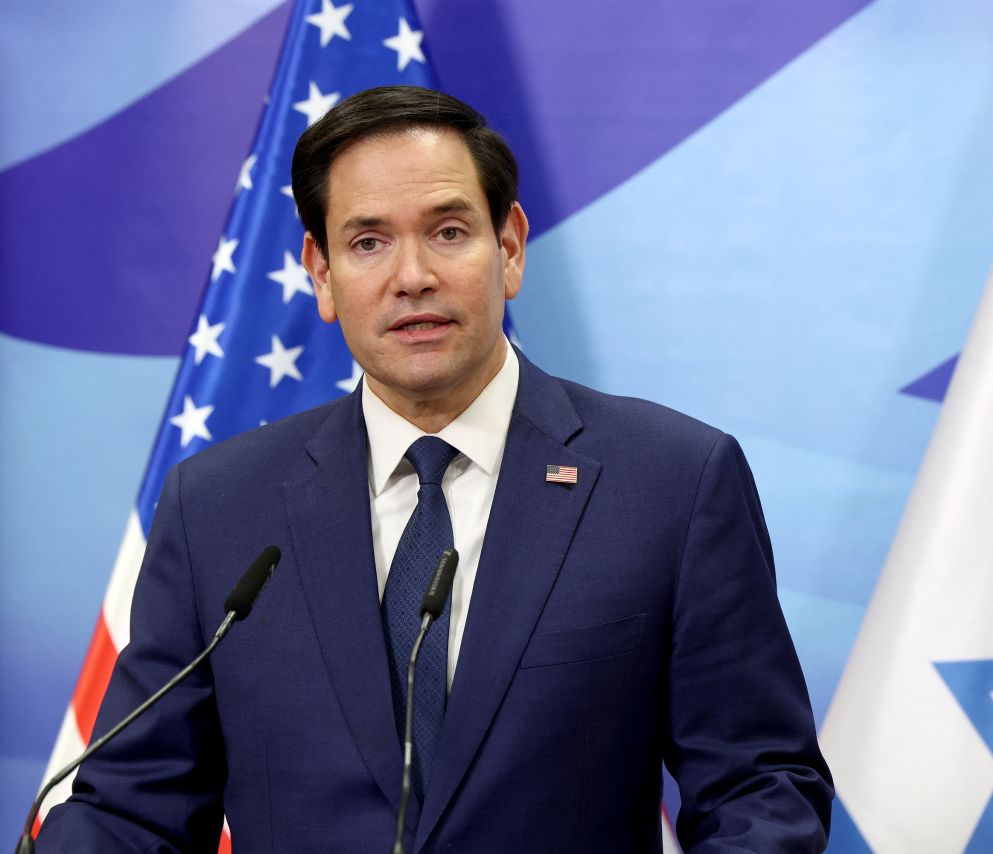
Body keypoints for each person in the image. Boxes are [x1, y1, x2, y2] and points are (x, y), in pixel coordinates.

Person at [38, 86, 833, 852]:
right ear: (321, 274)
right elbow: (135, 811)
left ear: (510, 247)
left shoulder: (670, 483)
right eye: (368, 241)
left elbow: (759, 785)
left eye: (448, 231)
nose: (410, 275)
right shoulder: (217, 507)